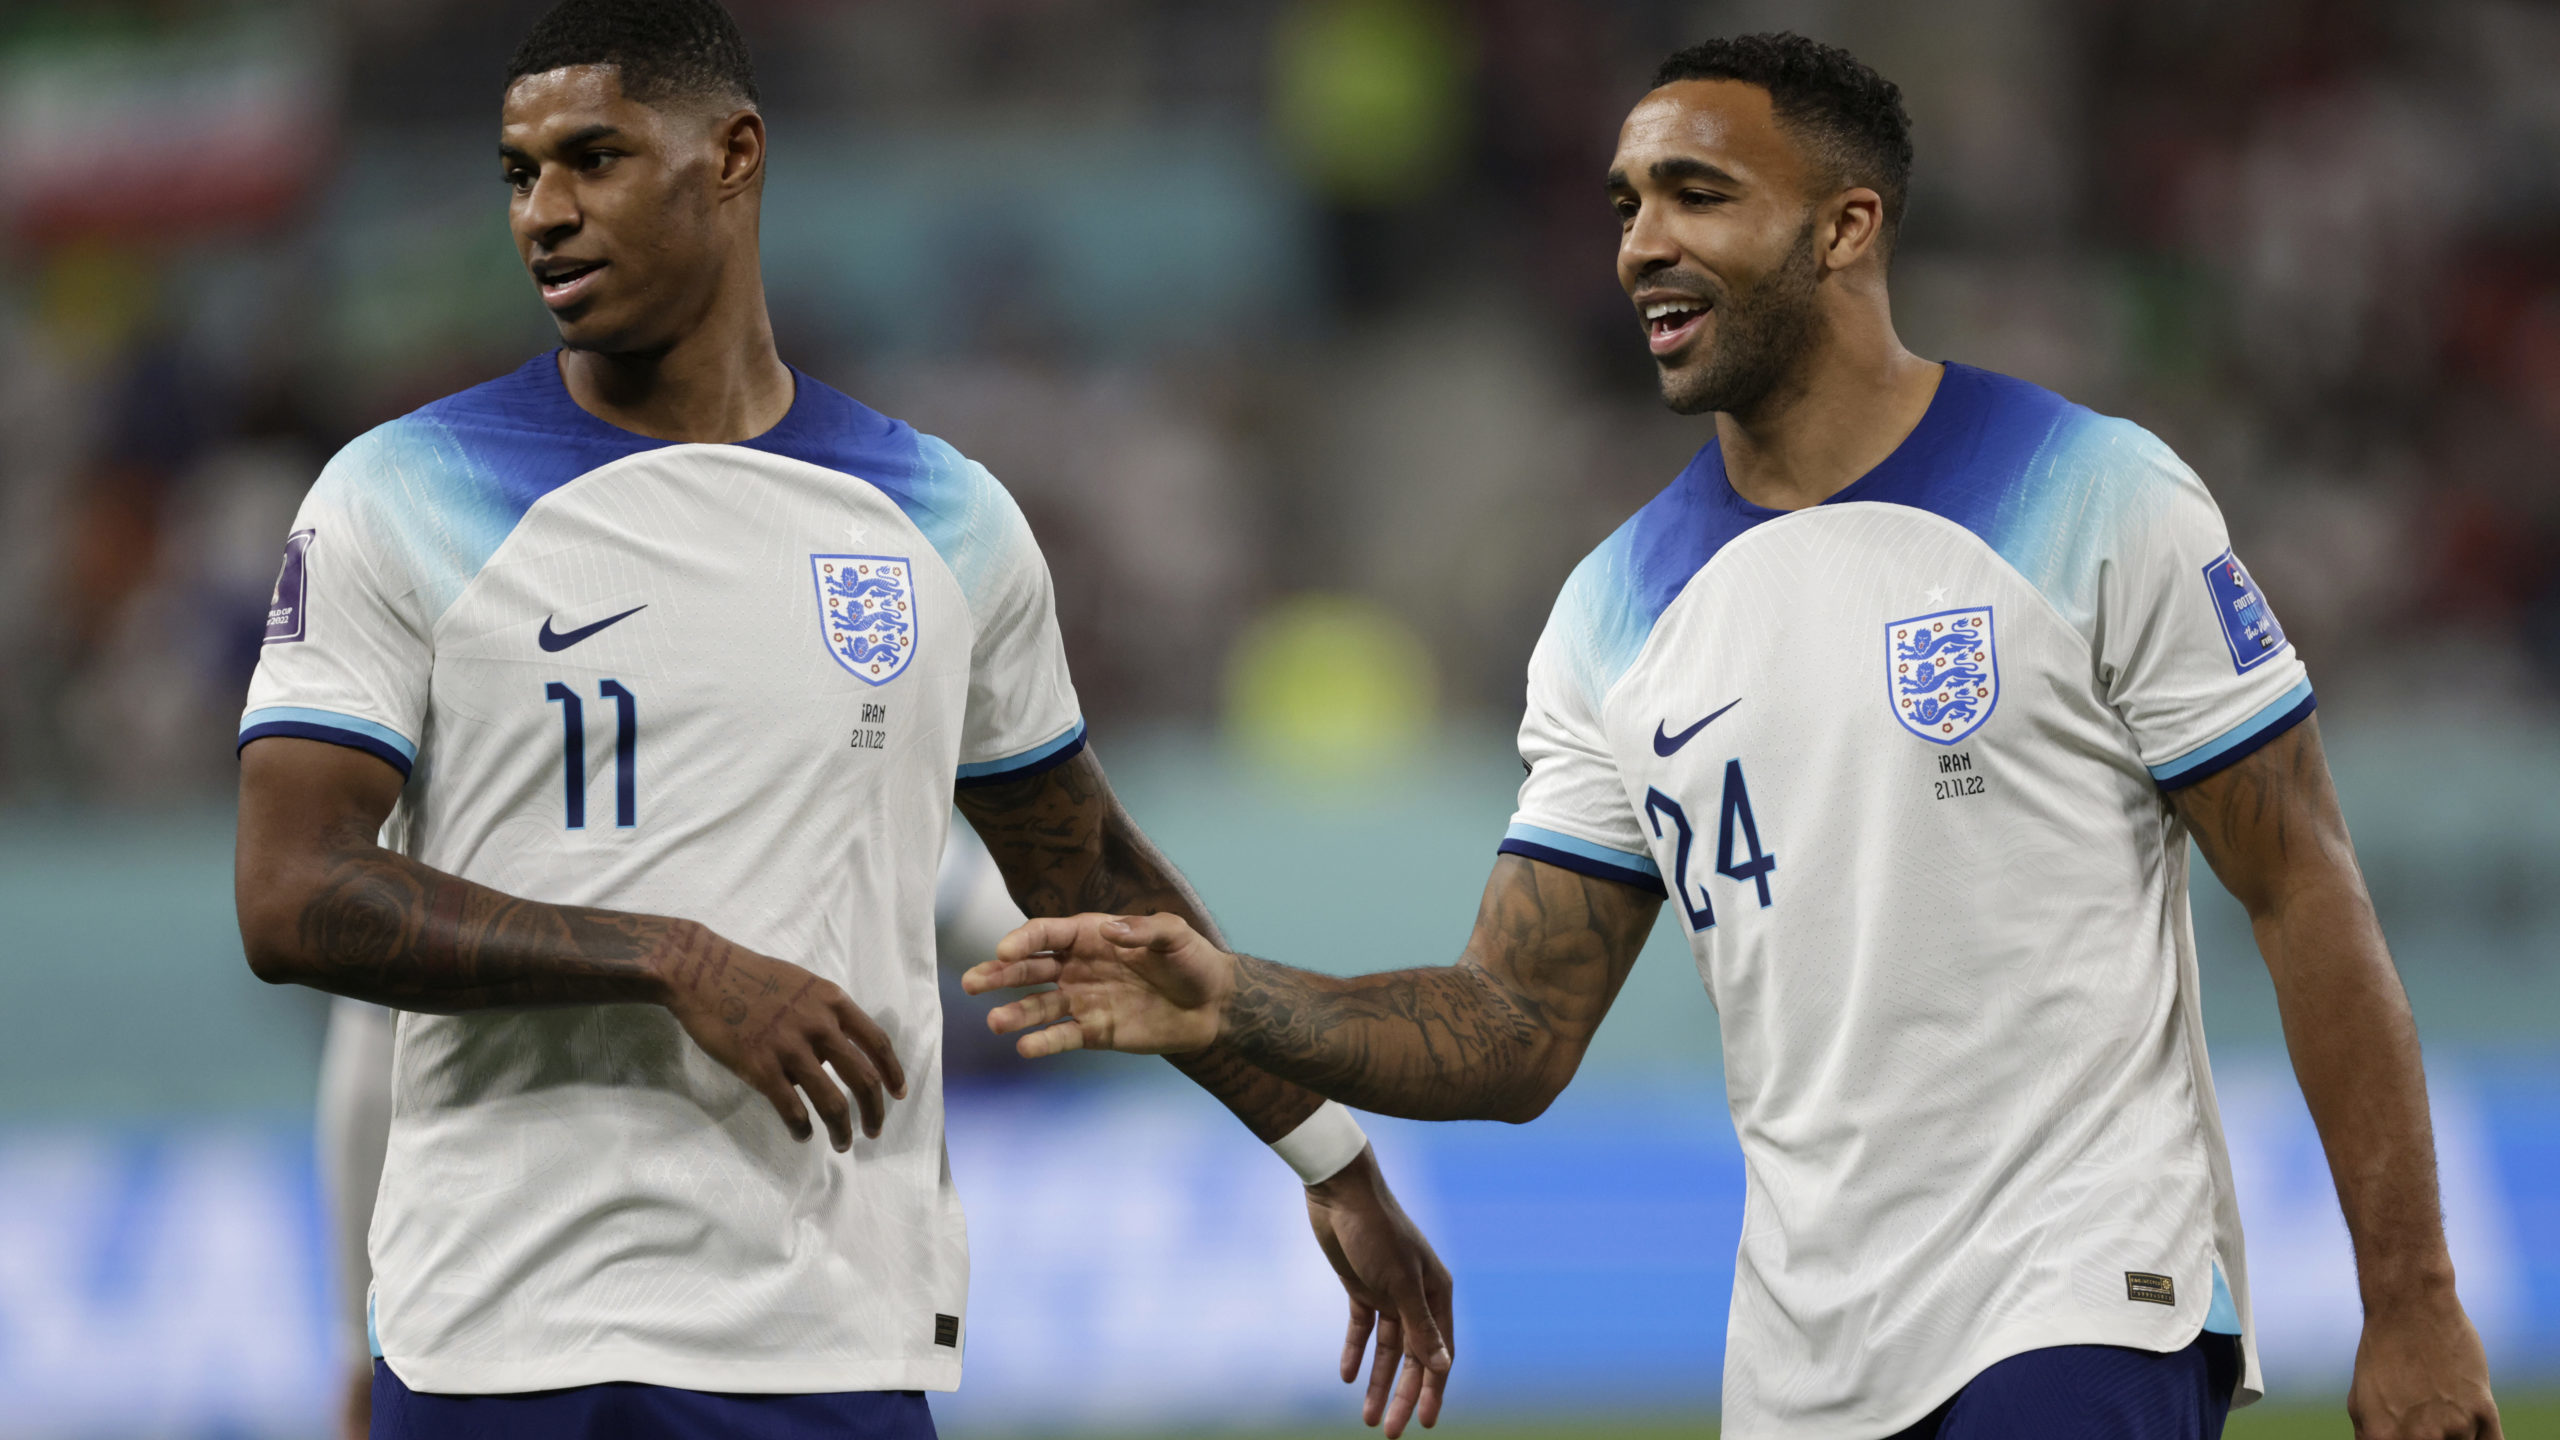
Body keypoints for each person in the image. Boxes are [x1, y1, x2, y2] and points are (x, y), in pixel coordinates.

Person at [964, 32, 2505, 1440]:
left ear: (1846, 228)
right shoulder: (1613, 611)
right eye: (1629, 201)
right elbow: (1514, 1028)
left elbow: (2303, 885)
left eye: (1697, 195)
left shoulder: (2097, 496)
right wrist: (1238, 998)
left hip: (2079, 1301)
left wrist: (2415, 1299)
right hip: (1800, 1364)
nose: (1641, 243)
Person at [232, 1, 1452, 1435]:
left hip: (823, 1343)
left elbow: (1091, 884)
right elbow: (291, 894)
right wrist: (669, 960)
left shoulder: (944, 520)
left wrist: (1327, 1151)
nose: (545, 215)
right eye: (519, 173)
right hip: (502, 1340)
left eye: (594, 159)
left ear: (734, 156)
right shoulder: (398, 494)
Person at [310, 835, 1031, 1440]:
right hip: (785, 1321)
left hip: (504, 1321)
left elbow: (367, 1074)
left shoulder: (480, 802)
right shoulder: (821, 774)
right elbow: (996, 930)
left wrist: (353, 1341)